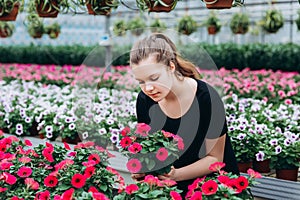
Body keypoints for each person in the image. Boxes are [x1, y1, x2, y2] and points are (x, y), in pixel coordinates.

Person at [129, 33, 239, 198]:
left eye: (154, 78)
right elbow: (148, 148)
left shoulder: (207, 99)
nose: (148, 88)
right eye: (141, 82)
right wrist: (141, 167)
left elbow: (215, 159)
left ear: (171, 67)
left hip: (214, 188)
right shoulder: (145, 101)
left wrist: (176, 175)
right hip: (168, 189)